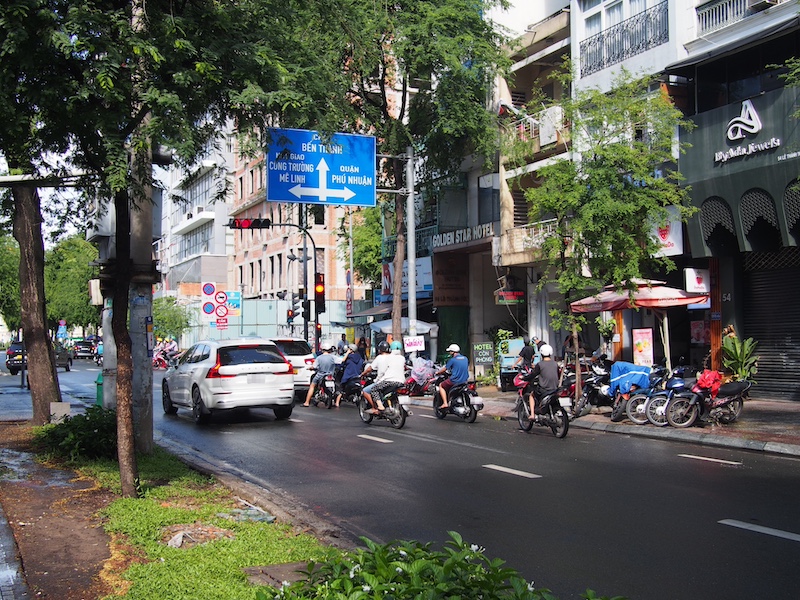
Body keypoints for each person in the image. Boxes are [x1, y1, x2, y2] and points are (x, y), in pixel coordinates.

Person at [361, 340, 406, 413]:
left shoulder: (387, 358)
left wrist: (378, 378)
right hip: (401, 381)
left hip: (388, 381)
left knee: (374, 389)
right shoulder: (402, 358)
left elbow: (381, 371)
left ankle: (380, 407)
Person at [525, 343, 560, 418]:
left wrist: (524, 378)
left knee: (531, 395)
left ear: (541, 354)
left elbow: (532, 375)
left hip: (544, 389)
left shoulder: (540, 364)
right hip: (554, 389)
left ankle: (532, 415)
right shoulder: (555, 364)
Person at [303, 342, 337, 407]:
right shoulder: (333, 357)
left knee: (312, 386)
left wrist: (310, 368)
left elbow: (314, 366)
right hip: (330, 375)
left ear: (322, 349)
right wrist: (348, 352)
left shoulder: (319, 358)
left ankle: (307, 402)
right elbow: (342, 360)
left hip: (320, 375)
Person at [436, 343, 469, 410]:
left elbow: (444, 369)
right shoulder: (465, 358)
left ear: (452, 352)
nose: (449, 353)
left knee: (441, 385)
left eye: (450, 351)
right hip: (465, 380)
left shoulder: (452, 360)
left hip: (455, 380)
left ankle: (445, 403)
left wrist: (437, 372)